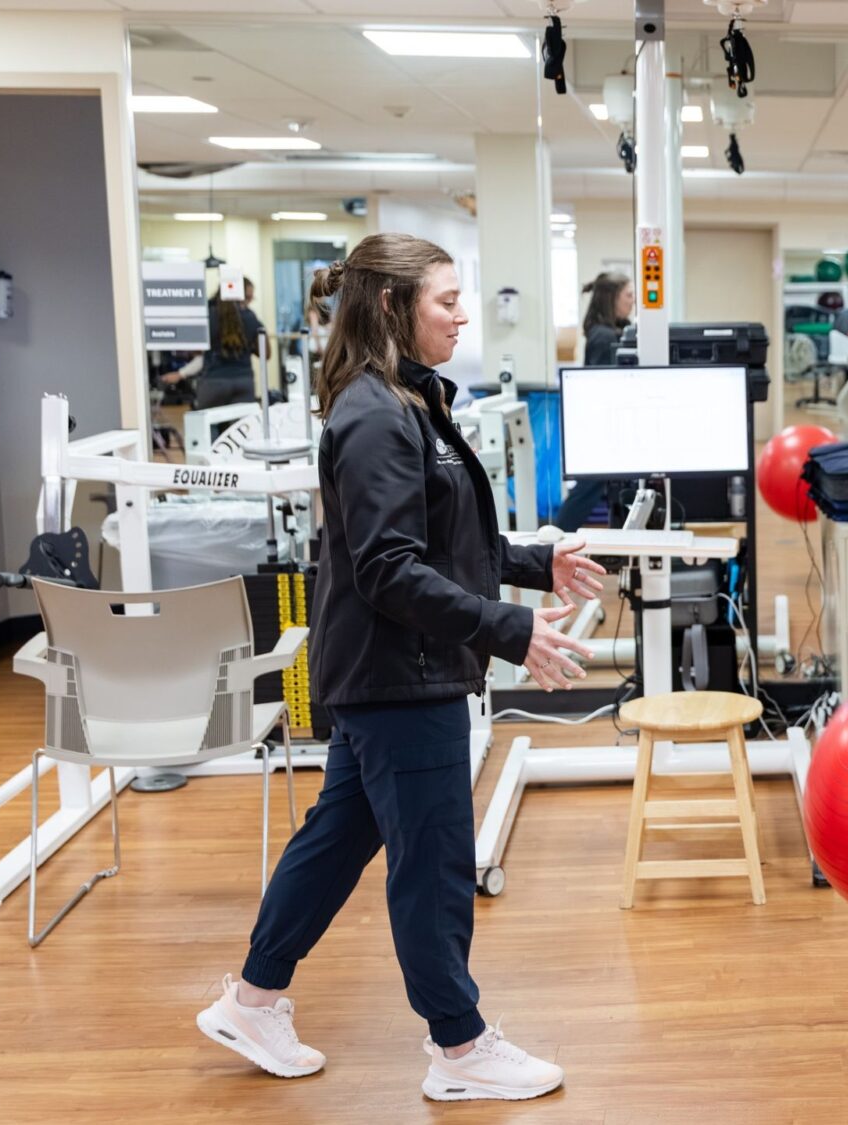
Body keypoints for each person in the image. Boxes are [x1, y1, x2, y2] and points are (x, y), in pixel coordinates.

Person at [195, 233, 608, 1102]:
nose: (462, 316)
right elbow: (388, 566)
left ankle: (255, 998)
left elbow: (449, 538)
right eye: (445, 301)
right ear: (391, 305)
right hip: (398, 671)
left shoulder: (405, 401)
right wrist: (508, 628)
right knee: (434, 861)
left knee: (338, 839)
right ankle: (458, 1048)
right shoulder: (376, 415)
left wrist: (537, 564)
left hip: (387, 668)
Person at [162, 286, 267, 409]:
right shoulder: (250, 317)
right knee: (242, 427)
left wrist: (181, 373)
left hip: (213, 383)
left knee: (210, 426)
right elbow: (266, 353)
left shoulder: (207, 317)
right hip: (244, 381)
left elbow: (198, 354)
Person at [581, 271, 634, 366]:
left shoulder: (623, 327)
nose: (633, 301)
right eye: (629, 295)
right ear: (612, 298)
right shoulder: (603, 337)